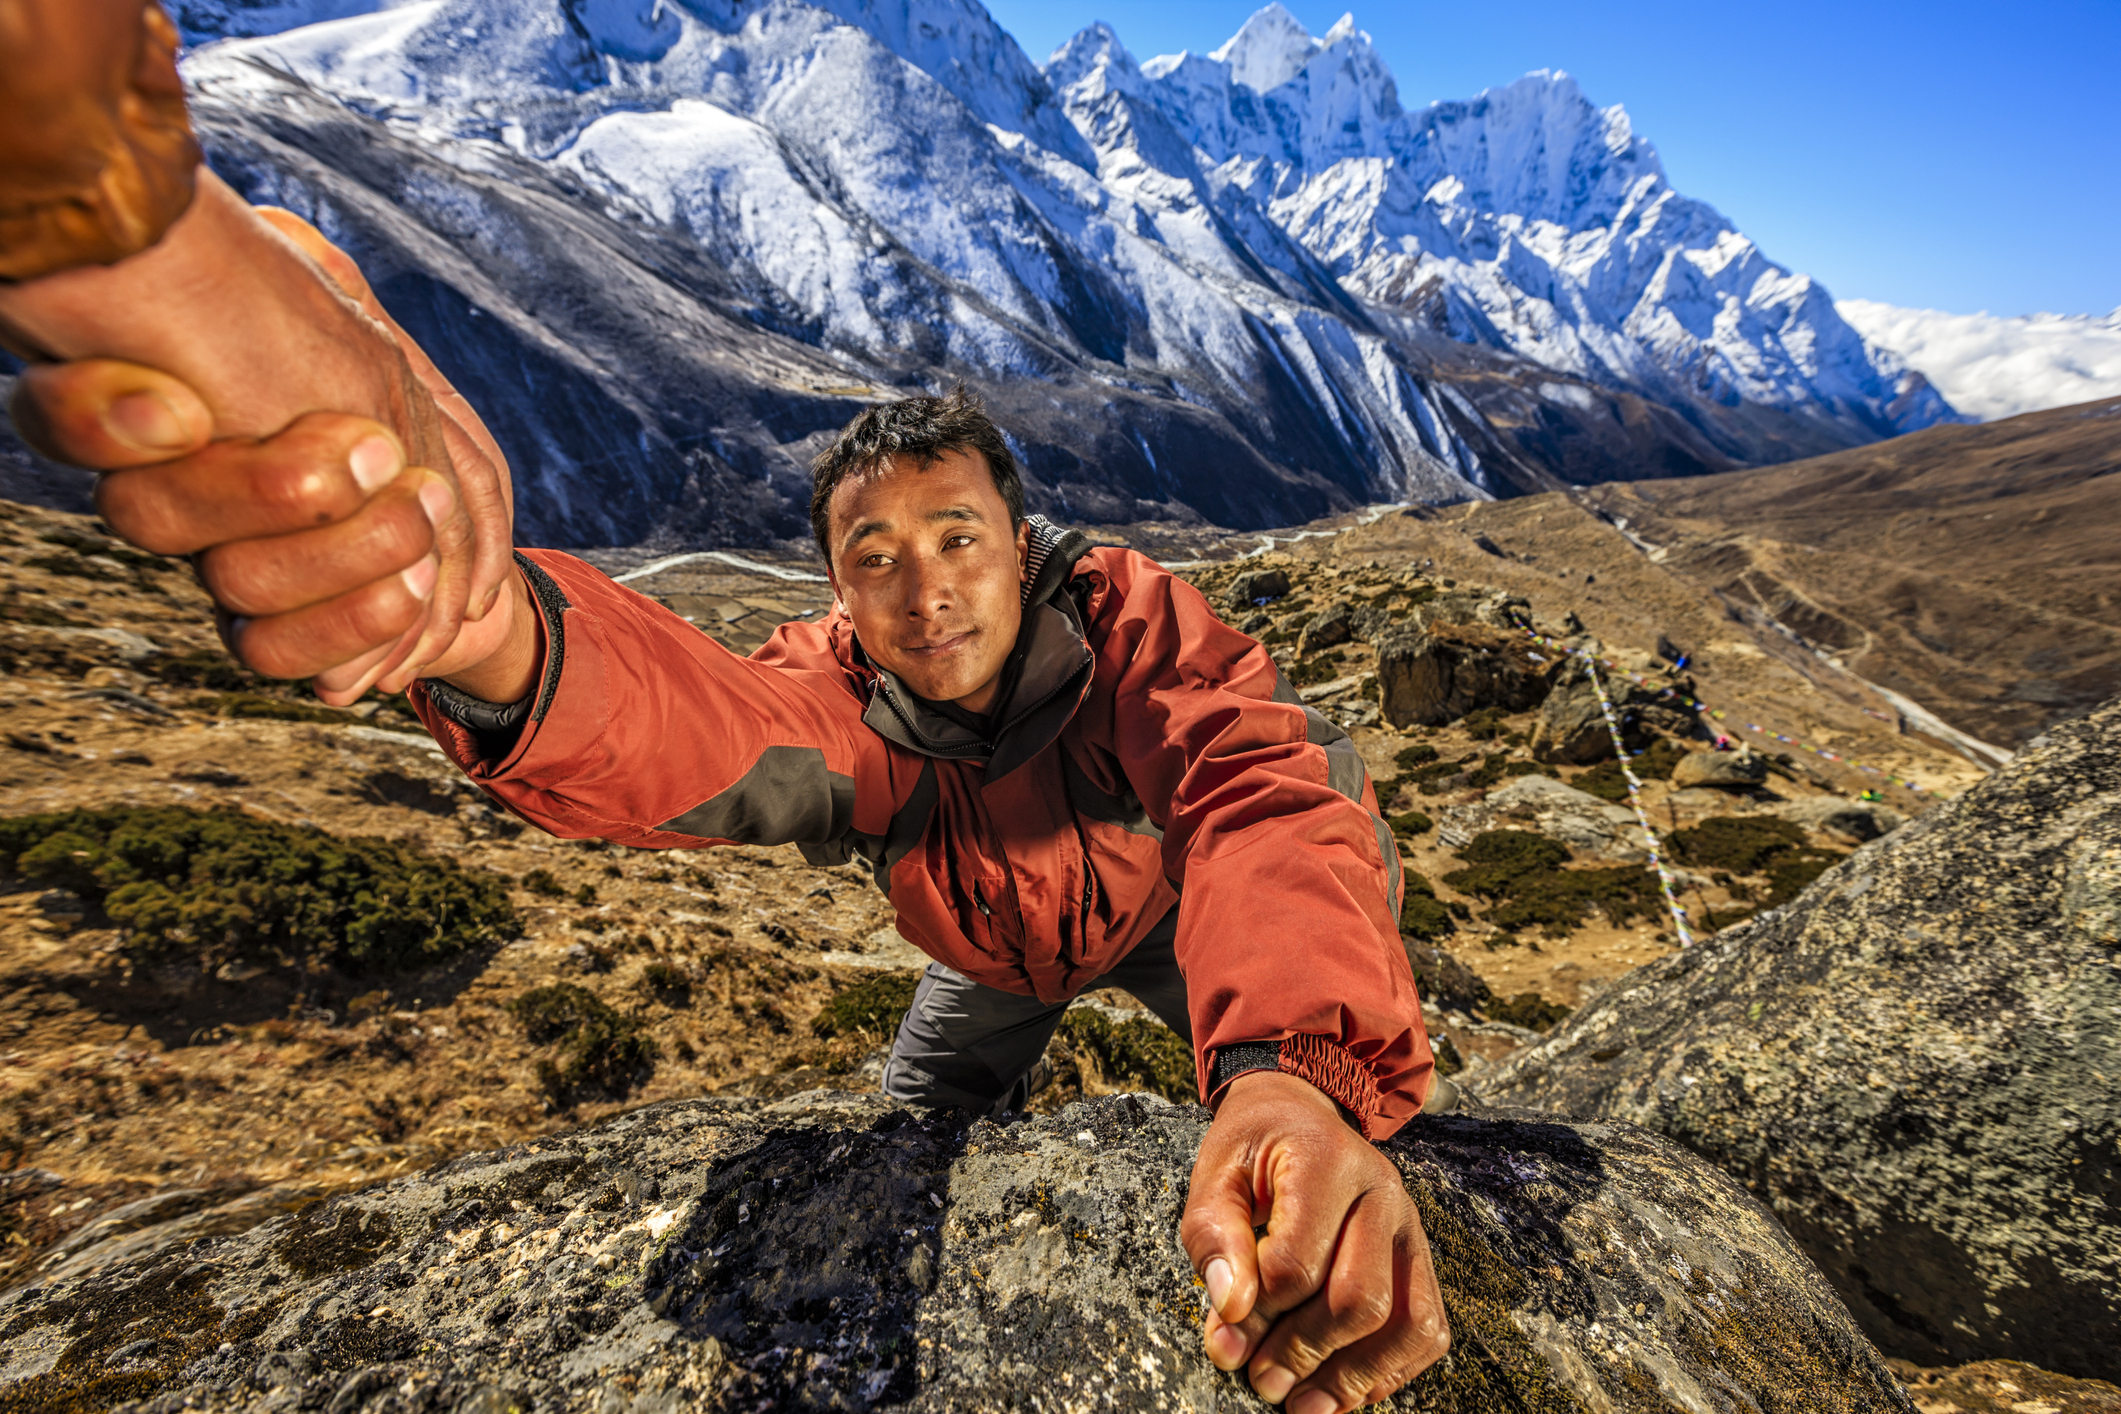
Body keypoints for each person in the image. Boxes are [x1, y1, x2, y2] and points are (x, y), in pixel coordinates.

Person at [1, 10, 1451, 1408]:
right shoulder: (848, 698)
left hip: (1156, 928)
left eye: (955, 539)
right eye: (871, 559)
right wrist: (493, 631)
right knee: (913, 1140)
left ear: (1021, 543)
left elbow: (1260, 793)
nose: (922, 590)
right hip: (993, 958)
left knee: (1310, 1106)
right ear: (834, 589)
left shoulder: (1127, 627)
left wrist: (1290, 1076)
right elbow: (697, 724)